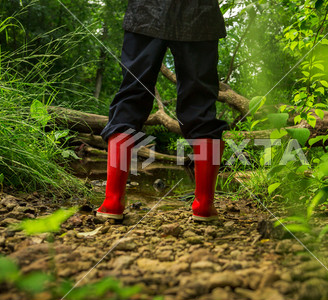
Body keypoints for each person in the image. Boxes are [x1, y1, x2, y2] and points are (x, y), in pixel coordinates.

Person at [96, 0, 229, 221]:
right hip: (199, 14)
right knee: (201, 104)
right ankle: (204, 204)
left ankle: (113, 201)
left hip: (145, 12)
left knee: (131, 96)